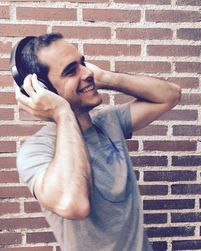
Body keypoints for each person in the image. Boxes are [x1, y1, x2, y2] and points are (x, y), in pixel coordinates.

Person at [13, 33, 181, 251]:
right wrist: (62, 112)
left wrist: (105, 77)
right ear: (44, 89)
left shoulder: (110, 122)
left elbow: (170, 95)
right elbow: (74, 204)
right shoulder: (36, 151)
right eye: (71, 71)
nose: (87, 72)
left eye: (82, 63)